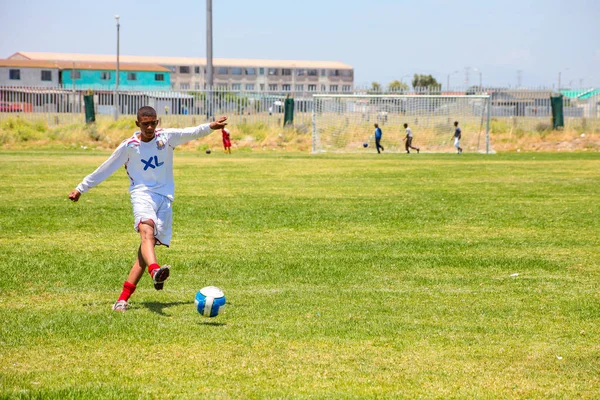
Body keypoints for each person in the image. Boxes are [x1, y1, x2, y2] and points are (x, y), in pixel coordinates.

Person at [68, 106, 228, 312]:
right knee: (146, 232)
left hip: (164, 198)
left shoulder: (166, 138)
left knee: (145, 250)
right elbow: (106, 168)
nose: (150, 127)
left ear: (157, 121)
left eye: (153, 123)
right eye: (145, 124)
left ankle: (122, 300)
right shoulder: (129, 146)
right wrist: (81, 187)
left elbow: (191, 132)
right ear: (137, 124)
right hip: (142, 195)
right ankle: (155, 271)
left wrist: (211, 126)